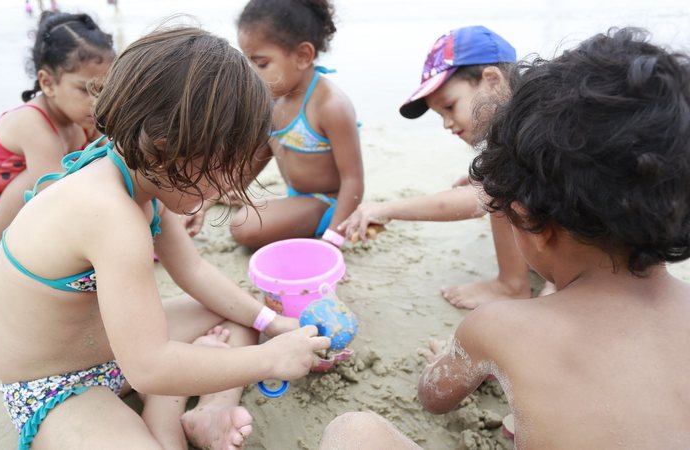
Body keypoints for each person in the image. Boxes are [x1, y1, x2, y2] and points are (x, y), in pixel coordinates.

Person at [321, 27, 690, 449]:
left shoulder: (496, 326)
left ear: (527, 217)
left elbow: (434, 396)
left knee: (352, 432)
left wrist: (451, 360)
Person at [0, 26, 330, 450]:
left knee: (245, 313)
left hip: (116, 348)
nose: (226, 184)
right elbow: (148, 366)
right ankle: (165, 415)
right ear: (170, 148)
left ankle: (207, 412)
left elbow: (193, 270)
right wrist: (269, 360)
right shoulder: (109, 216)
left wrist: (274, 324)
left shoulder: (141, 174)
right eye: (223, 167)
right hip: (57, 384)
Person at [338, 25, 552, 309]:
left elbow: (483, 198)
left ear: (492, 79)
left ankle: (520, 286)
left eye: (450, 107)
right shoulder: (523, 112)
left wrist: (386, 209)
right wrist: (488, 176)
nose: (446, 124)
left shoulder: (539, 126)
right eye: (440, 114)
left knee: (499, 189)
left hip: (613, 232)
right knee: (497, 181)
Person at [230, 0, 364, 249]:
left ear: (303, 56)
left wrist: (334, 239)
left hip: (328, 202)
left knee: (243, 227)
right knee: (238, 210)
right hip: (298, 197)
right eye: (248, 62)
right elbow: (262, 152)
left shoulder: (330, 106)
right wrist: (228, 190)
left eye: (261, 64)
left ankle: (320, 226)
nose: (252, 73)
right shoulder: (274, 99)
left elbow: (353, 180)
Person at [0, 12, 113, 241]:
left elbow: (118, 156)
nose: (97, 100)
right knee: (70, 169)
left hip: (49, 197)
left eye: (104, 88)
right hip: (1, 217)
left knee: (106, 156)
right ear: (47, 83)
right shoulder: (32, 122)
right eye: (85, 90)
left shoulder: (83, 115)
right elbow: (55, 194)